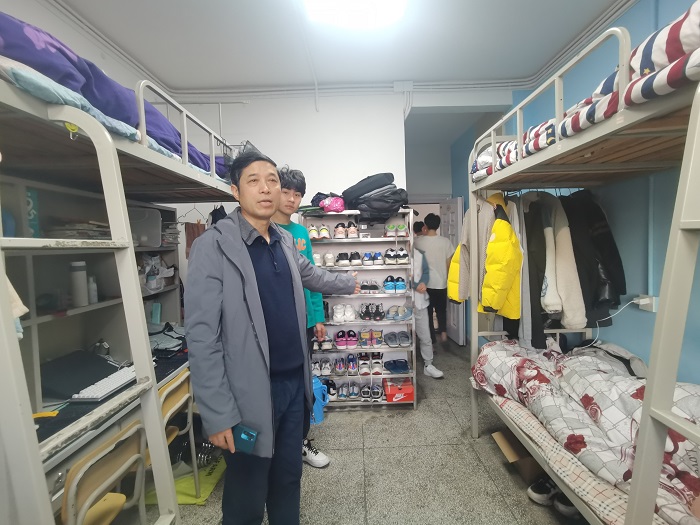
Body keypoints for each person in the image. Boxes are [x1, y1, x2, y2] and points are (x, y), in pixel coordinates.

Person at [185, 150, 359, 525]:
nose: (266, 188)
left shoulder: (283, 240)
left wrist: (349, 282)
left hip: (294, 386)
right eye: (254, 181)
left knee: (287, 480)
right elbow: (201, 339)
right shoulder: (212, 247)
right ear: (236, 191)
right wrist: (217, 415)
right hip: (248, 394)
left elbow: (313, 276)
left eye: (272, 180)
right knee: (247, 493)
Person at [272, 166, 330, 468]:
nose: (291, 199)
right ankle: (276, 445)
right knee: (274, 384)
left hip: (302, 321)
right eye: (286, 192)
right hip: (273, 323)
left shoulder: (301, 233)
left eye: (297, 195)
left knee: (302, 383)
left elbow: (312, 278)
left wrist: (317, 317)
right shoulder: (263, 229)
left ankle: (301, 442)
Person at [414, 213, 455, 344]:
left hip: (425, 284)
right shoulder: (446, 242)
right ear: (438, 226)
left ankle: (431, 339)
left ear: (425, 225)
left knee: (428, 313)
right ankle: (443, 332)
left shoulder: (418, 242)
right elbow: (449, 264)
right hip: (441, 282)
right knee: (441, 310)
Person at [413, 246, 444, 378]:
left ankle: (428, 365)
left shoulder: (419, 254)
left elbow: (425, 272)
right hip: (402, 302)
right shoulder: (392, 252)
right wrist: (415, 285)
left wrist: (423, 283)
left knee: (425, 336)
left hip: (419, 301)